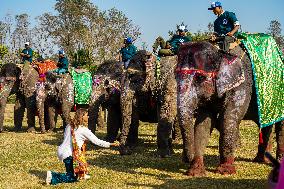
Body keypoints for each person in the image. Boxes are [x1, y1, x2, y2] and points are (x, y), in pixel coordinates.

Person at [46, 108, 119, 185]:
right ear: (82, 116)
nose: (88, 117)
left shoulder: (69, 125)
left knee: (78, 164)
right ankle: (52, 176)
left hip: (61, 150)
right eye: (86, 115)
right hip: (69, 154)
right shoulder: (83, 130)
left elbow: (69, 138)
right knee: (71, 177)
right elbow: (97, 141)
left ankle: (82, 175)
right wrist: (111, 144)